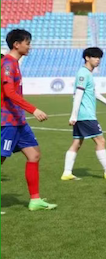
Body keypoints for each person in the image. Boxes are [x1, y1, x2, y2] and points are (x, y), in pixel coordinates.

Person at [1, 29, 57, 212]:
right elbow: (9, 92)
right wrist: (34, 109)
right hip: (7, 121)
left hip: (18, 120)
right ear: (16, 44)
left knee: (34, 155)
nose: (29, 46)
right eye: (27, 43)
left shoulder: (14, 63)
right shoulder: (7, 63)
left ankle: (35, 200)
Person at [62, 47, 106, 181]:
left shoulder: (87, 74)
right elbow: (78, 94)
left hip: (83, 115)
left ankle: (67, 173)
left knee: (77, 142)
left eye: (99, 57)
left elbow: (94, 93)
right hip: (86, 115)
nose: (98, 60)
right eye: (95, 57)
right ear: (87, 58)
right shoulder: (83, 74)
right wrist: (73, 115)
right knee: (101, 140)